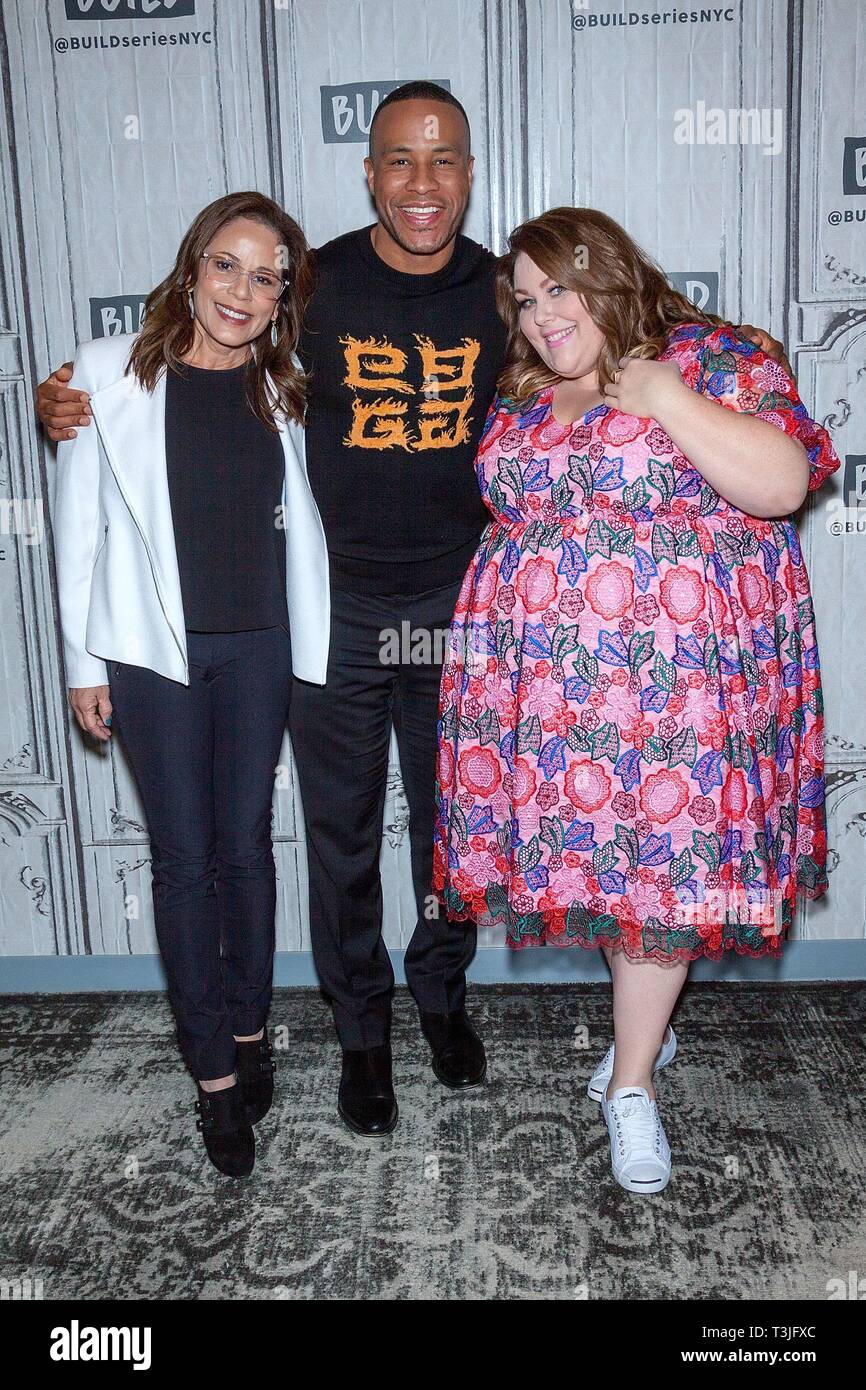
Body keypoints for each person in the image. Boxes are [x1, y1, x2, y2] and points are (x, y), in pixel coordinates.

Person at [36, 83, 792, 1139]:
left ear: (470, 171)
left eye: (443, 161)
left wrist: (707, 362)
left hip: (462, 608)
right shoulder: (316, 285)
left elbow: (614, 350)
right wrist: (76, 394)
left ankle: (441, 1001)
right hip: (331, 608)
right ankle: (361, 1034)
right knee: (339, 841)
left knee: (454, 836)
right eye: (399, 159)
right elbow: (195, 365)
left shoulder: (507, 294)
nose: (421, 183)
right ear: (369, 170)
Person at [433, 206, 839, 1193]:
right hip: (556, 698)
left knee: (663, 874)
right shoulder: (526, 391)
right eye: (523, 299)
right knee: (618, 884)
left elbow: (781, 482)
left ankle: (628, 1089)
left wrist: (661, 395)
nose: (539, 313)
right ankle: (637, 1048)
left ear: (606, 270)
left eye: (555, 287)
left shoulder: (710, 358)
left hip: (672, 689)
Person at [50, 192, 329, 1178]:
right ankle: (213, 1074)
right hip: (146, 655)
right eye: (226, 265)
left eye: (266, 276)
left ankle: (250, 1028)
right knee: (183, 859)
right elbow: (78, 527)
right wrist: (83, 664)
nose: (242, 290)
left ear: (281, 296)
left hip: (258, 648)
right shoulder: (104, 373)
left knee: (247, 846)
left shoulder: (286, 384)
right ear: (190, 267)